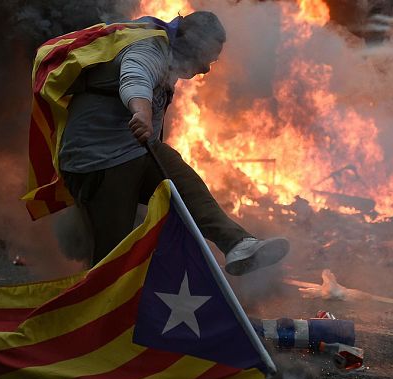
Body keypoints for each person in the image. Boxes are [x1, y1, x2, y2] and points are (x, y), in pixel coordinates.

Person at [33, 11, 289, 275]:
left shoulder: (170, 56)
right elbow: (135, 78)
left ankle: (237, 243)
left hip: (133, 151)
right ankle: (100, 306)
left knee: (181, 181)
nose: (206, 69)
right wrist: (141, 112)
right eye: (206, 59)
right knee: (112, 257)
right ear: (189, 43)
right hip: (99, 161)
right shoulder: (149, 48)